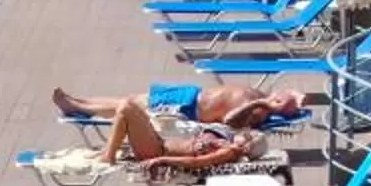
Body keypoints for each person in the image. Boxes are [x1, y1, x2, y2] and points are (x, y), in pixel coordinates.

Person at [86, 100, 268, 171]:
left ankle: (107, 157)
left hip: (156, 151)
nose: (244, 133)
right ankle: (107, 152)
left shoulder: (229, 151)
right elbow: (231, 120)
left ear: (247, 146)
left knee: (126, 109)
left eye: (247, 136)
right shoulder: (226, 141)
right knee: (129, 107)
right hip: (159, 142)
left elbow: (196, 163)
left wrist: (162, 160)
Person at [55, 83, 311, 132]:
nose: (278, 94)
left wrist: (262, 103)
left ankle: (76, 106)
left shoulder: (259, 111)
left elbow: (230, 121)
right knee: (130, 99)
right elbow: (296, 95)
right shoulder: (265, 98)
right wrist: (295, 99)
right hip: (191, 93)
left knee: (129, 107)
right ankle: (79, 102)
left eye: (281, 99)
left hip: (186, 108)